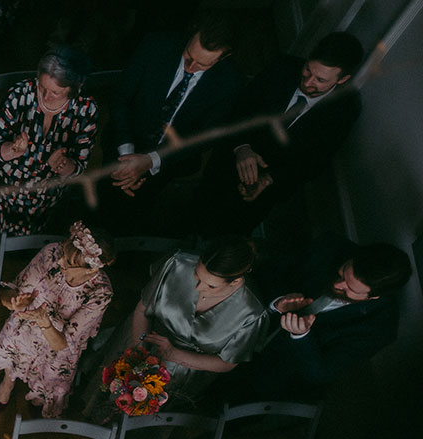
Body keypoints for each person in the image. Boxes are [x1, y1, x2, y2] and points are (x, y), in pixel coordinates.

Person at [193, 32, 364, 235]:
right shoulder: (281, 68)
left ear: (343, 79)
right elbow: (240, 108)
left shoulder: (345, 109)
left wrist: (268, 180)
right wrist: (242, 147)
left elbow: (316, 161)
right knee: (201, 205)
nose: (308, 82)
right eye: (307, 70)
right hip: (228, 160)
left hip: (272, 184)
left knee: (234, 228)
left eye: (320, 80)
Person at [98, 12, 245, 234]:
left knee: (139, 206)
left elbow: (204, 136)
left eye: (202, 65)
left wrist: (150, 161)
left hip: (170, 161)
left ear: (224, 57)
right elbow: (120, 98)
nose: (190, 67)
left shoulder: (231, 83)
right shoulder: (156, 45)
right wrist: (126, 154)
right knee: (103, 197)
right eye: (188, 55)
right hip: (122, 142)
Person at [220, 238, 411, 402]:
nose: (337, 284)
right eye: (342, 272)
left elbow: (320, 372)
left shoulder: (379, 329)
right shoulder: (331, 246)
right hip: (237, 323)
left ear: (374, 297)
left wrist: (301, 335)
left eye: (349, 289)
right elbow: (271, 269)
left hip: (273, 372)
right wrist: (278, 303)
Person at [102, 235, 265, 407]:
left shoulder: (252, 312)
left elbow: (228, 362)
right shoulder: (178, 263)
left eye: (211, 286)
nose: (198, 288)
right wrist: (138, 357)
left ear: (236, 282)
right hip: (139, 339)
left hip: (185, 376)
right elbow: (142, 309)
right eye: (196, 276)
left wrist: (175, 355)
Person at [0, 220, 115, 416]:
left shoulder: (100, 293)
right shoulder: (52, 253)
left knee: (45, 389)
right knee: (16, 353)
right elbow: (8, 293)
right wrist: (13, 303)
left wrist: (45, 323)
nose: (60, 262)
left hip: (57, 347)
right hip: (25, 328)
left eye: (68, 263)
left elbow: (62, 344)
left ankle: (38, 398)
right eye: (64, 255)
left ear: (92, 269)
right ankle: (8, 382)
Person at [0, 46, 98, 261]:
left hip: (45, 194)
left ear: (74, 88)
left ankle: (25, 243)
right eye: (42, 87)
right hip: (5, 182)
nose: (45, 97)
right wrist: (12, 149)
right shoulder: (20, 94)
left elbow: (79, 168)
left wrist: (63, 165)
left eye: (55, 92)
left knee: (33, 229)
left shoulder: (86, 110)